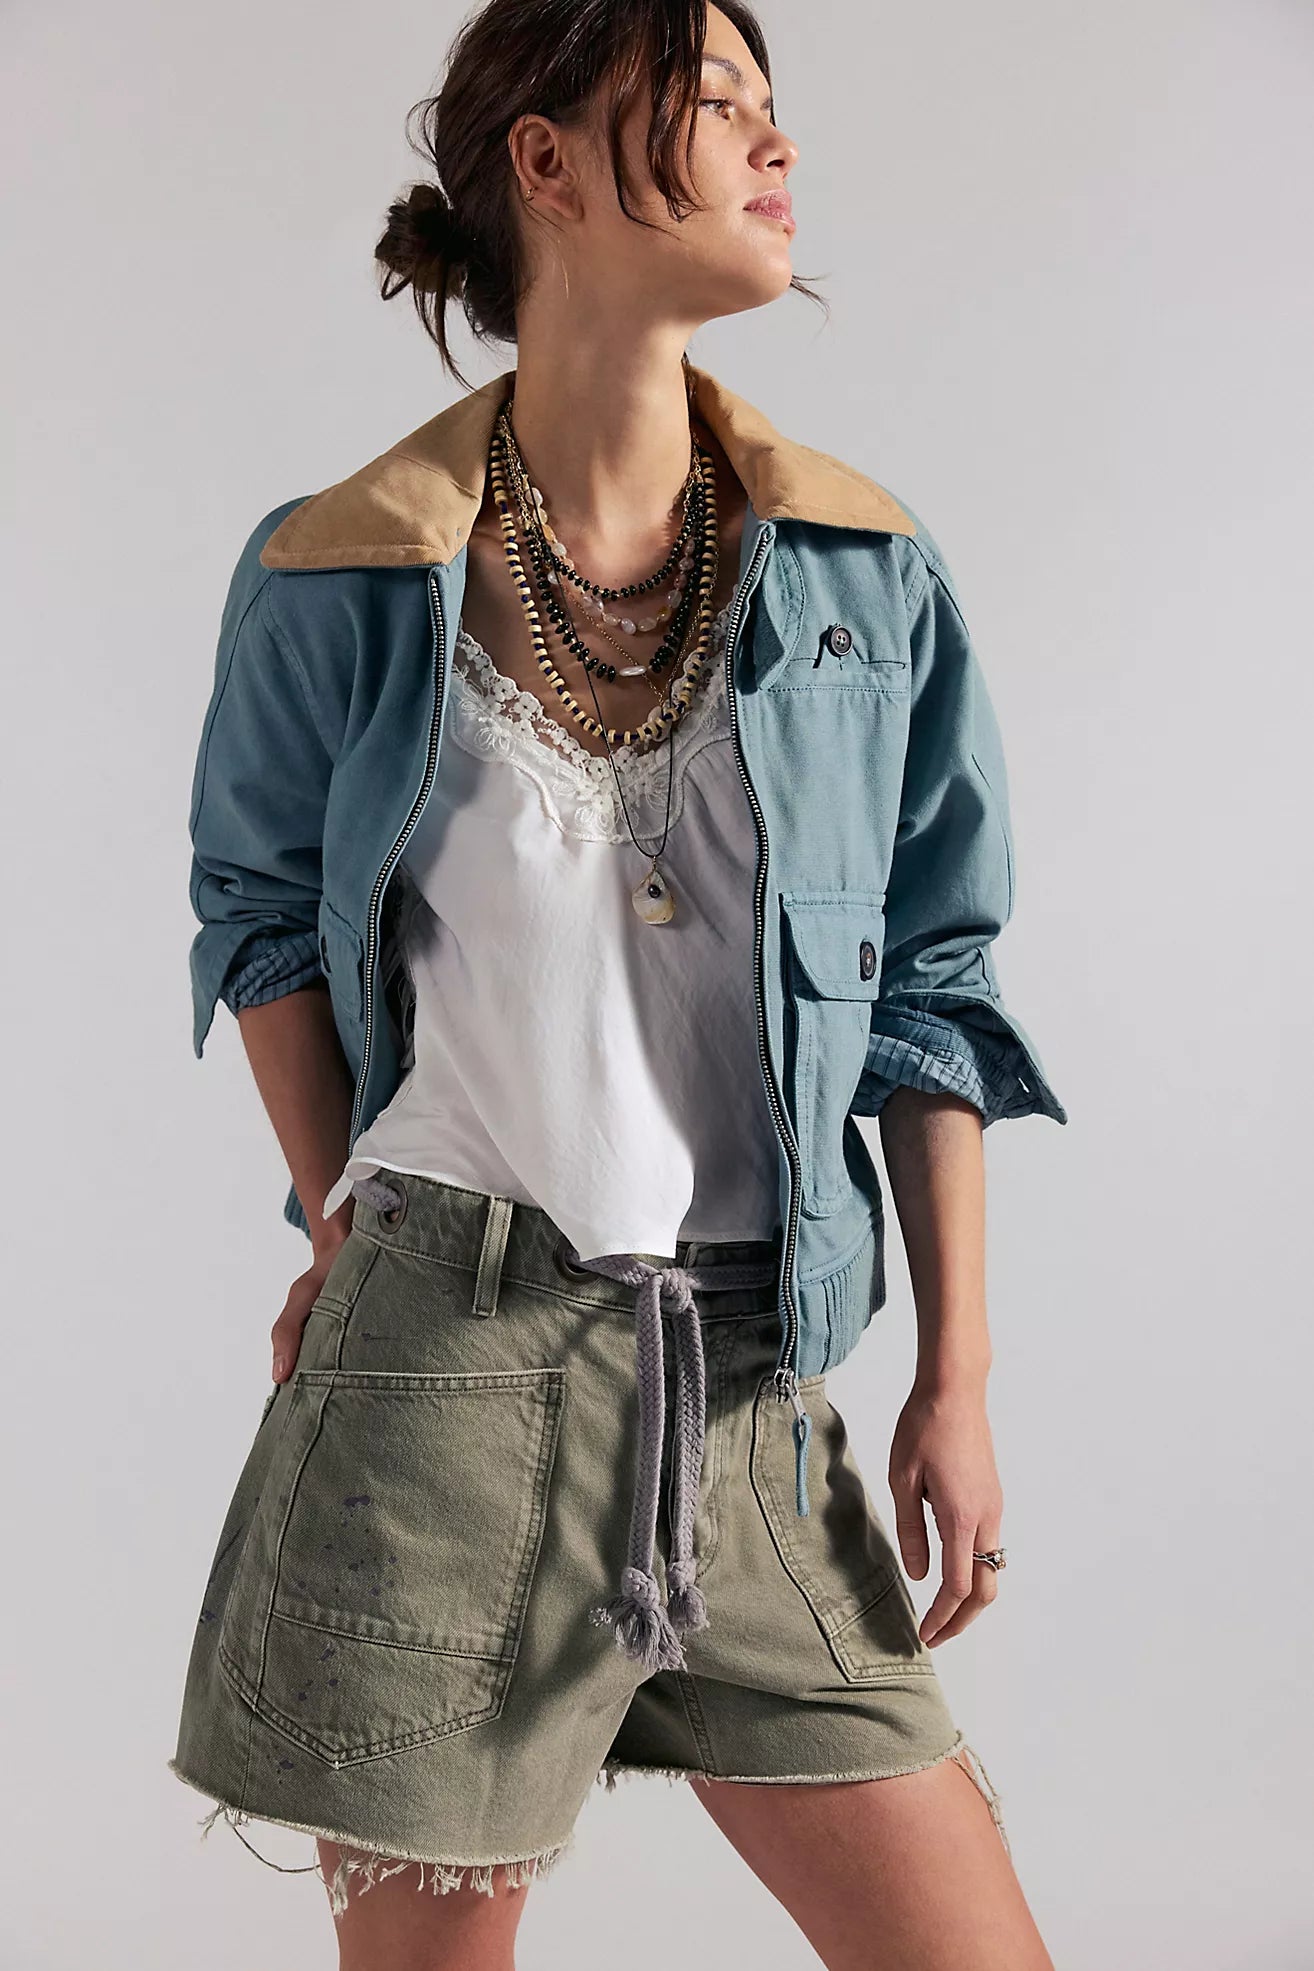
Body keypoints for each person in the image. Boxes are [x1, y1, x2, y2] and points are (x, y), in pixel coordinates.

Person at [169, 3, 1067, 1966]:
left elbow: (933, 981)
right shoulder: (335, 573)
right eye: (717, 100)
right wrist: (338, 1215)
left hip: (749, 1386)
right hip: (439, 1376)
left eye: (774, 107)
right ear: (547, 163)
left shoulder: (862, 574)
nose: (776, 145)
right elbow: (258, 913)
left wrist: (958, 1374)